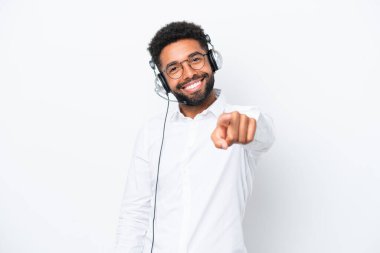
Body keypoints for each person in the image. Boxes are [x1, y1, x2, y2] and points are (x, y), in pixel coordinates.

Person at [115, 21, 275, 253]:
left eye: (195, 59)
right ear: (163, 81)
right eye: (174, 68)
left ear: (211, 60)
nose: (189, 73)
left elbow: (264, 134)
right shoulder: (151, 132)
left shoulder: (242, 118)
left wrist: (247, 127)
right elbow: (134, 213)